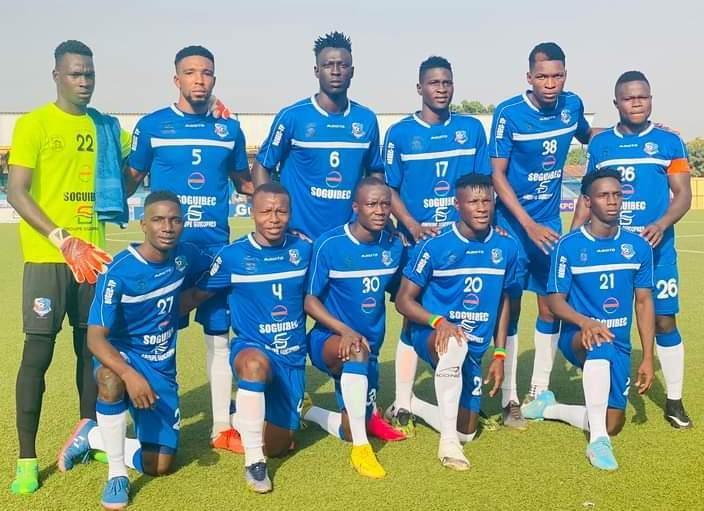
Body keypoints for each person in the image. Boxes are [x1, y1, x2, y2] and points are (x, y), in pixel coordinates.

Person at [7, 40, 130, 495]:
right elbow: (17, 191)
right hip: (49, 259)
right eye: (76, 74)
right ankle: (26, 458)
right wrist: (63, 239)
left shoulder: (106, 127)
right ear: (57, 75)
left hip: (93, 260)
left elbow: (145, 151)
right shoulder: (34, 124)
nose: (84, 82)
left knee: (90, 352)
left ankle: (90, 436)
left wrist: (207, 114)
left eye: (90, 74)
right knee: (37, 355)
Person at [126, 45, 252, 449]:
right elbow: (129, 179)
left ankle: (220, 427)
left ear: (214, 79)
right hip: (167, 254)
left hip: (214, 252)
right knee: (159, 340)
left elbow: (246, 183)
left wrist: (287, 200)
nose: (199, 79)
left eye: (206, 73)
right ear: (176, 79)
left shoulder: (229, 130)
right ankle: (150, 419)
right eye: (191, 72)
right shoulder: (152, 126)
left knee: (219, 337)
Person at [56, 191, 211, 509]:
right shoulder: (118, 272)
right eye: (158, 220)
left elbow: (214, 271)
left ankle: (93, 436)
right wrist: (130, 375)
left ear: (183, 224)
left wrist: (197, 297)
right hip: (123, 357)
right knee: (110, 379)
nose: (167, 227)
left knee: (160, 465)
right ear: (143, 224)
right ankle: (116, 475)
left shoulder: (186, 256)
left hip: (161, 367)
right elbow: (95, 339)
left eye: (175, 220)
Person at [571, 71, 692, 429]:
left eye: (643, 97)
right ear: (616, 103)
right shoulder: (601, 145)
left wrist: (662, 224)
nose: (636, 103)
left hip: (657, 251)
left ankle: (674, 401)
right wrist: (572, 237)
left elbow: (683, 195)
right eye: (629, 98)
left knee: (665, 319)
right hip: (611, 253)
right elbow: (587, 195)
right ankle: (603, 389)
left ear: (651, 99)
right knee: (606, 318)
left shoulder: (670, 142)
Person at [382, 56, 492, 436]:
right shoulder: (399, 134)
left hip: (463, 241)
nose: (441, 89)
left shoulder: (470, 129)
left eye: (447, 82)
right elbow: (389, 188)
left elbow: (484, 182)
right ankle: (402, 399)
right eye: (434, 82)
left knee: (463, 311)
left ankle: (462, 392)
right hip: (419, 242)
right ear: (420, 88)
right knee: (411, 314)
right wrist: (411, 225)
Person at [489, 42, 595, 427]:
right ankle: (509, 396)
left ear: (565, 76)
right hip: (512, 225)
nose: (550, 84)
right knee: (512, 306)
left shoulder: (572, 105)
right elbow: (497, 174)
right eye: (542, 76)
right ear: (529, 77)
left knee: (551, 305)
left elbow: (591, 136)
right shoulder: (509, 114)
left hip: (549, 224)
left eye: (557, 76)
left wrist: (631, 129)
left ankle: (538, 390)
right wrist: (527, 224)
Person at [183, 183, 312, 493]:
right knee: (253, 366)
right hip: (253, 349)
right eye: (266, 211)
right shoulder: (233, 256)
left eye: (281, 211)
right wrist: (147, 315)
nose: (274, 218)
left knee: (278, 446)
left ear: (290, 213)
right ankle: (255, 464)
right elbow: (198, 294)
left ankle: (242, 415)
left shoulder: (304, 250)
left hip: (292, 357)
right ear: (252, 213)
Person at [523, 169, 655, 470]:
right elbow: (555, 301)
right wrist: (585, 323)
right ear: (587, 201)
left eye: (617, 195)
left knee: (613, 423)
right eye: (603, 195)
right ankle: (597, 443)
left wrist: (648, 357)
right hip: (578, 337)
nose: (612, 201)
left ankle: (549, 408)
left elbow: (644, 302)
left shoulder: (637, 247)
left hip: (619, 342)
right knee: (599, 342)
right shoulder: (569, 246)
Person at [395, 174, 519, 471]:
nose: (481, 208)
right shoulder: (434, 245)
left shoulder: (507, 247)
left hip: (474, 347)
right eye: (473, 201)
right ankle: (447, 443)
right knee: (453, 344)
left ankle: (415, 404)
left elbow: (505, 300)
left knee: (468, 431)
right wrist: (439, 321)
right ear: (457, 204)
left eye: (487, 200)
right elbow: (403, 301)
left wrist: (499, 353)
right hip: (432, 335)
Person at [303, 177, 405, 479]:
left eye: (385, 204)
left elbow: (401, 293)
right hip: (328, 340)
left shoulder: (393, 246)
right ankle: (361, 449)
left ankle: (309, 410)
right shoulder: (329, 245)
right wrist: (344, 330)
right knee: (356, 351)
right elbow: (309, 300)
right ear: (356, 207)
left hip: (370, 347)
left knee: (350, 428)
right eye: (372, 204)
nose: (380, 210)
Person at [250, 31, 384, 240]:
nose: (336, 71)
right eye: (328, 65)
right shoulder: (292, 117)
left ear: (352, 71)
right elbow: (262, 166)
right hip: (300, 238)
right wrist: (279, 219)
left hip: (348, 238)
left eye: (343, 65)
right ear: (316, 71)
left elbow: (376, 173)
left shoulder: (366, 119)